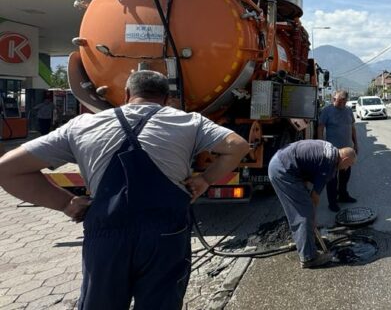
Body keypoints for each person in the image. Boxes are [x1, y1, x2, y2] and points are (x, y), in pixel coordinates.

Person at [0, 70, 249, 310]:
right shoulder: (189, 121)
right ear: (166, 99)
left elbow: (7, 169)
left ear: (127, 94)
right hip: (166, 236)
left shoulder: (81, 125)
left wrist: (65, 203)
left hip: (106, 236)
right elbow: (237, 146)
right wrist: (205, 179)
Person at [268, 140, 356, 268]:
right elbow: (314, 196)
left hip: (285, 163)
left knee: (305, 208)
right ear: (345, 159)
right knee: (304, 213)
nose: (347, 168)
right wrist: (313, 218)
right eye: (349, 165)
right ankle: (309, 258)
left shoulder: (331, 149)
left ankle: (308, 240)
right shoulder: (329, 164)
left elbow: (306, 165)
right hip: (283, 170)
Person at [317, 90, 358, 212]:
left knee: (345, 175)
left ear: (345, 101)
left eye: (340, 101)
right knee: (332, 178)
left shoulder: (348, 110)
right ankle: (332, 202)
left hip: (348, 150)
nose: (337, 102)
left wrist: (356, 143)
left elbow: (352, 128)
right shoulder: (327, 111)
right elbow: (320, 128)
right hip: (332, 151)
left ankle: (343, 195)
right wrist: (320, 145)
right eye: (335, 99)